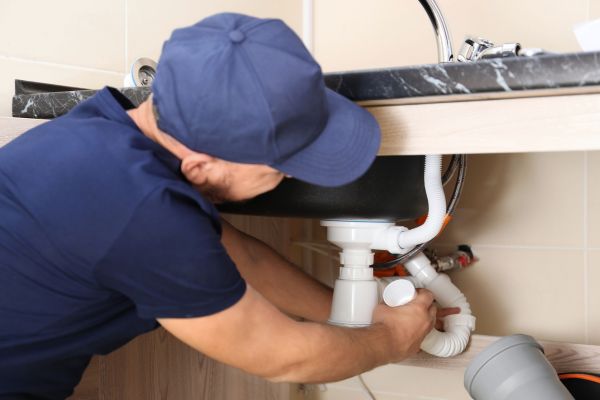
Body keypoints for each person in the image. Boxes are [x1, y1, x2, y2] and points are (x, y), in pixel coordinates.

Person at [0, 13, 458, 399]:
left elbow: (242, 255)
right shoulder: (144, 214)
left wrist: (356, 315)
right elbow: (284, 354)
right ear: (201, 167)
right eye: (282, 167)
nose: (295, 176)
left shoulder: (102, 131)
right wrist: (392, 339)